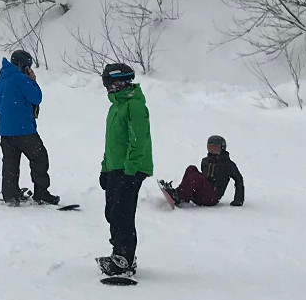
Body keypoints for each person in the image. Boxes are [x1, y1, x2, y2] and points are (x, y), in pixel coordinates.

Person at [97, 62, 154, 277]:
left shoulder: (134, 105)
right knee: (112, 213)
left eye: (110, 84)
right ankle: (118, 253)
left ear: (120, 82)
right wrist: (105, 168)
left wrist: (130, 171)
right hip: (116, 168)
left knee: (123, 214)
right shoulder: (116, 107)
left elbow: (138, 140)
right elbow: (112, 143)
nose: (108, 89)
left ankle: (125, 259)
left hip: (130, 169)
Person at [0, 49, 58, 204]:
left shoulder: (0, 80)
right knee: (40, 159)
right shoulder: (22, 79)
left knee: (10, 163)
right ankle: (41, 192)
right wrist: (33, 81)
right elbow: (37, 97)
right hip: (25, 130)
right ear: (24, 66)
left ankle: (10, 195)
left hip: (5, 131)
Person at [161, 135, 245, 208]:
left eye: (215, 149)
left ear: (222, 149)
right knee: (191, 168)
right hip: (200, 195)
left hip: (211, 198)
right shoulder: (205, 161)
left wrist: (238, 200)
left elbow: (239, 180)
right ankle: (183, 196)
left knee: (198, 177)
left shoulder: (228, 164)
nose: (212, 151)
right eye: (210, 148)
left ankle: (177, 195)